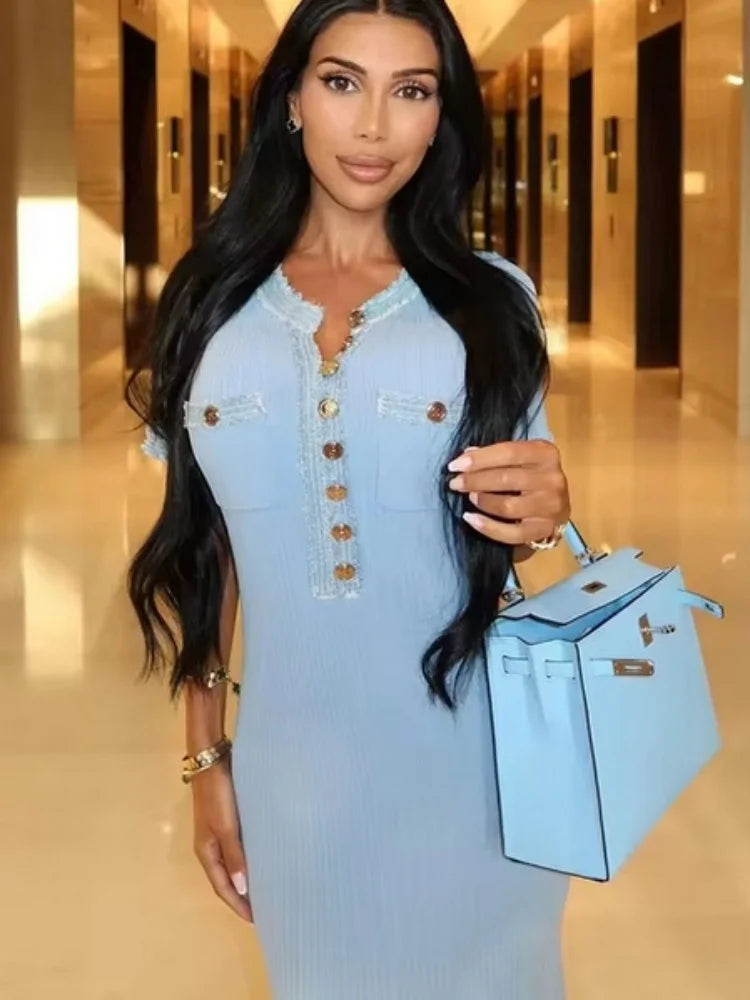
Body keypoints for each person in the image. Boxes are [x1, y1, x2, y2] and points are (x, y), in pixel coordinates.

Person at [126, 0, 572, 997]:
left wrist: (546, 509)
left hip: (482, 773)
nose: (373, 128)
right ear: (291, 100)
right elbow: (208, 558)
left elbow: (529, 531)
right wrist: (206, 764)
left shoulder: (492, 300)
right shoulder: (210, 306)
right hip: (302, 783)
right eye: (342, 83)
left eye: (410, 91)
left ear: (440, 117)